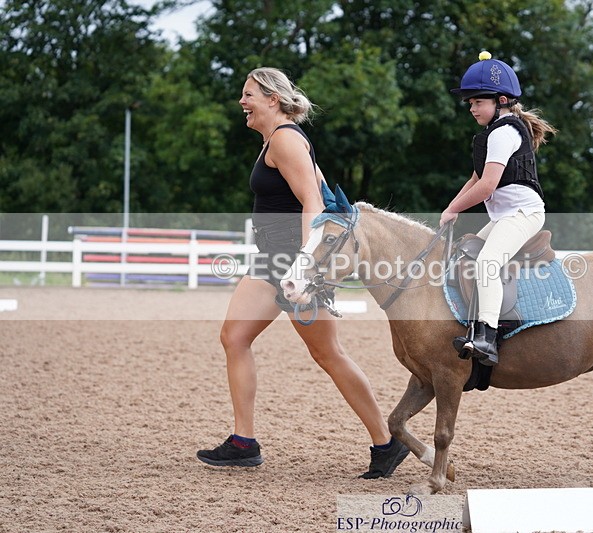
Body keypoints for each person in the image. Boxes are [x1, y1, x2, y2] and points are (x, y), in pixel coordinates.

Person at [197, 67, 409, 479]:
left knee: (328, 354)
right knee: (234, 337)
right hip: (270, 260)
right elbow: (320, 187)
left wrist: (305, 264)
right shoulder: (277, 140)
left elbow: (314, 202)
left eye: (248, 94)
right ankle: (243, 442)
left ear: (272, 99)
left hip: (293, 263)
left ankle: (386, 442)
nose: (242, 102)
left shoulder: (286, 139)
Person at [440, 52, 557, 366]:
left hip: (523, 214)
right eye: (470, 103)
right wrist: (451, 206)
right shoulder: (493, 133)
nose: (472, 108)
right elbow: (475, 179)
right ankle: (471, 322)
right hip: (504, 216)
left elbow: (487, 187)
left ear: (501, 101)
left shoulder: (505, 132)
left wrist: (453, 210)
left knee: (487, 262)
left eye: (478, 102)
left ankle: (487, 337)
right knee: (465, 257)